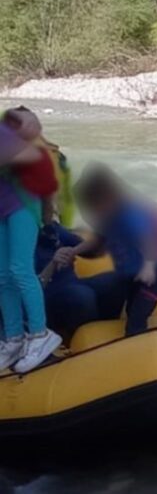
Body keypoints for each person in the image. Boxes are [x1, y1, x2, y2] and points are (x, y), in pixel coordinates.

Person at [56, 165, 157, 337]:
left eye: (94, 206)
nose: (92, 213)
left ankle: (138, 345)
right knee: (127, 311)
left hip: (153, 275)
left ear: (109, 199)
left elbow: (149, 240)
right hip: (131, 275)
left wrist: (148, 267)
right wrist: (74, 251)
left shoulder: (130, 215)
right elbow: (96, 240)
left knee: (136, 321)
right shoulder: (109, 218)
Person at [0, 122, 62, 373]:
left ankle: (40, 333)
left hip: (22, 203)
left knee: (19, 268)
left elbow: (32, 155)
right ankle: (14, 338)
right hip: (2, 210)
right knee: (2, 275)